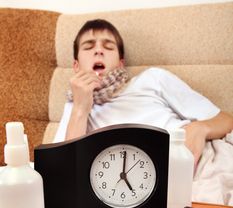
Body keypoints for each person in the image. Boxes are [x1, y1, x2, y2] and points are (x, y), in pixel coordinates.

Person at [54, 19, 233, 167]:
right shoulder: (75, 104)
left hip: (198, 161)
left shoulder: (152, 78)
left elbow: (226, 120)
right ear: (76, 66)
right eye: (88, 47)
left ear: (120, 63)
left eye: (108, 47)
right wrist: (80, 107)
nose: (99, 50)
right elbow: (66, 167)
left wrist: (200, 128)